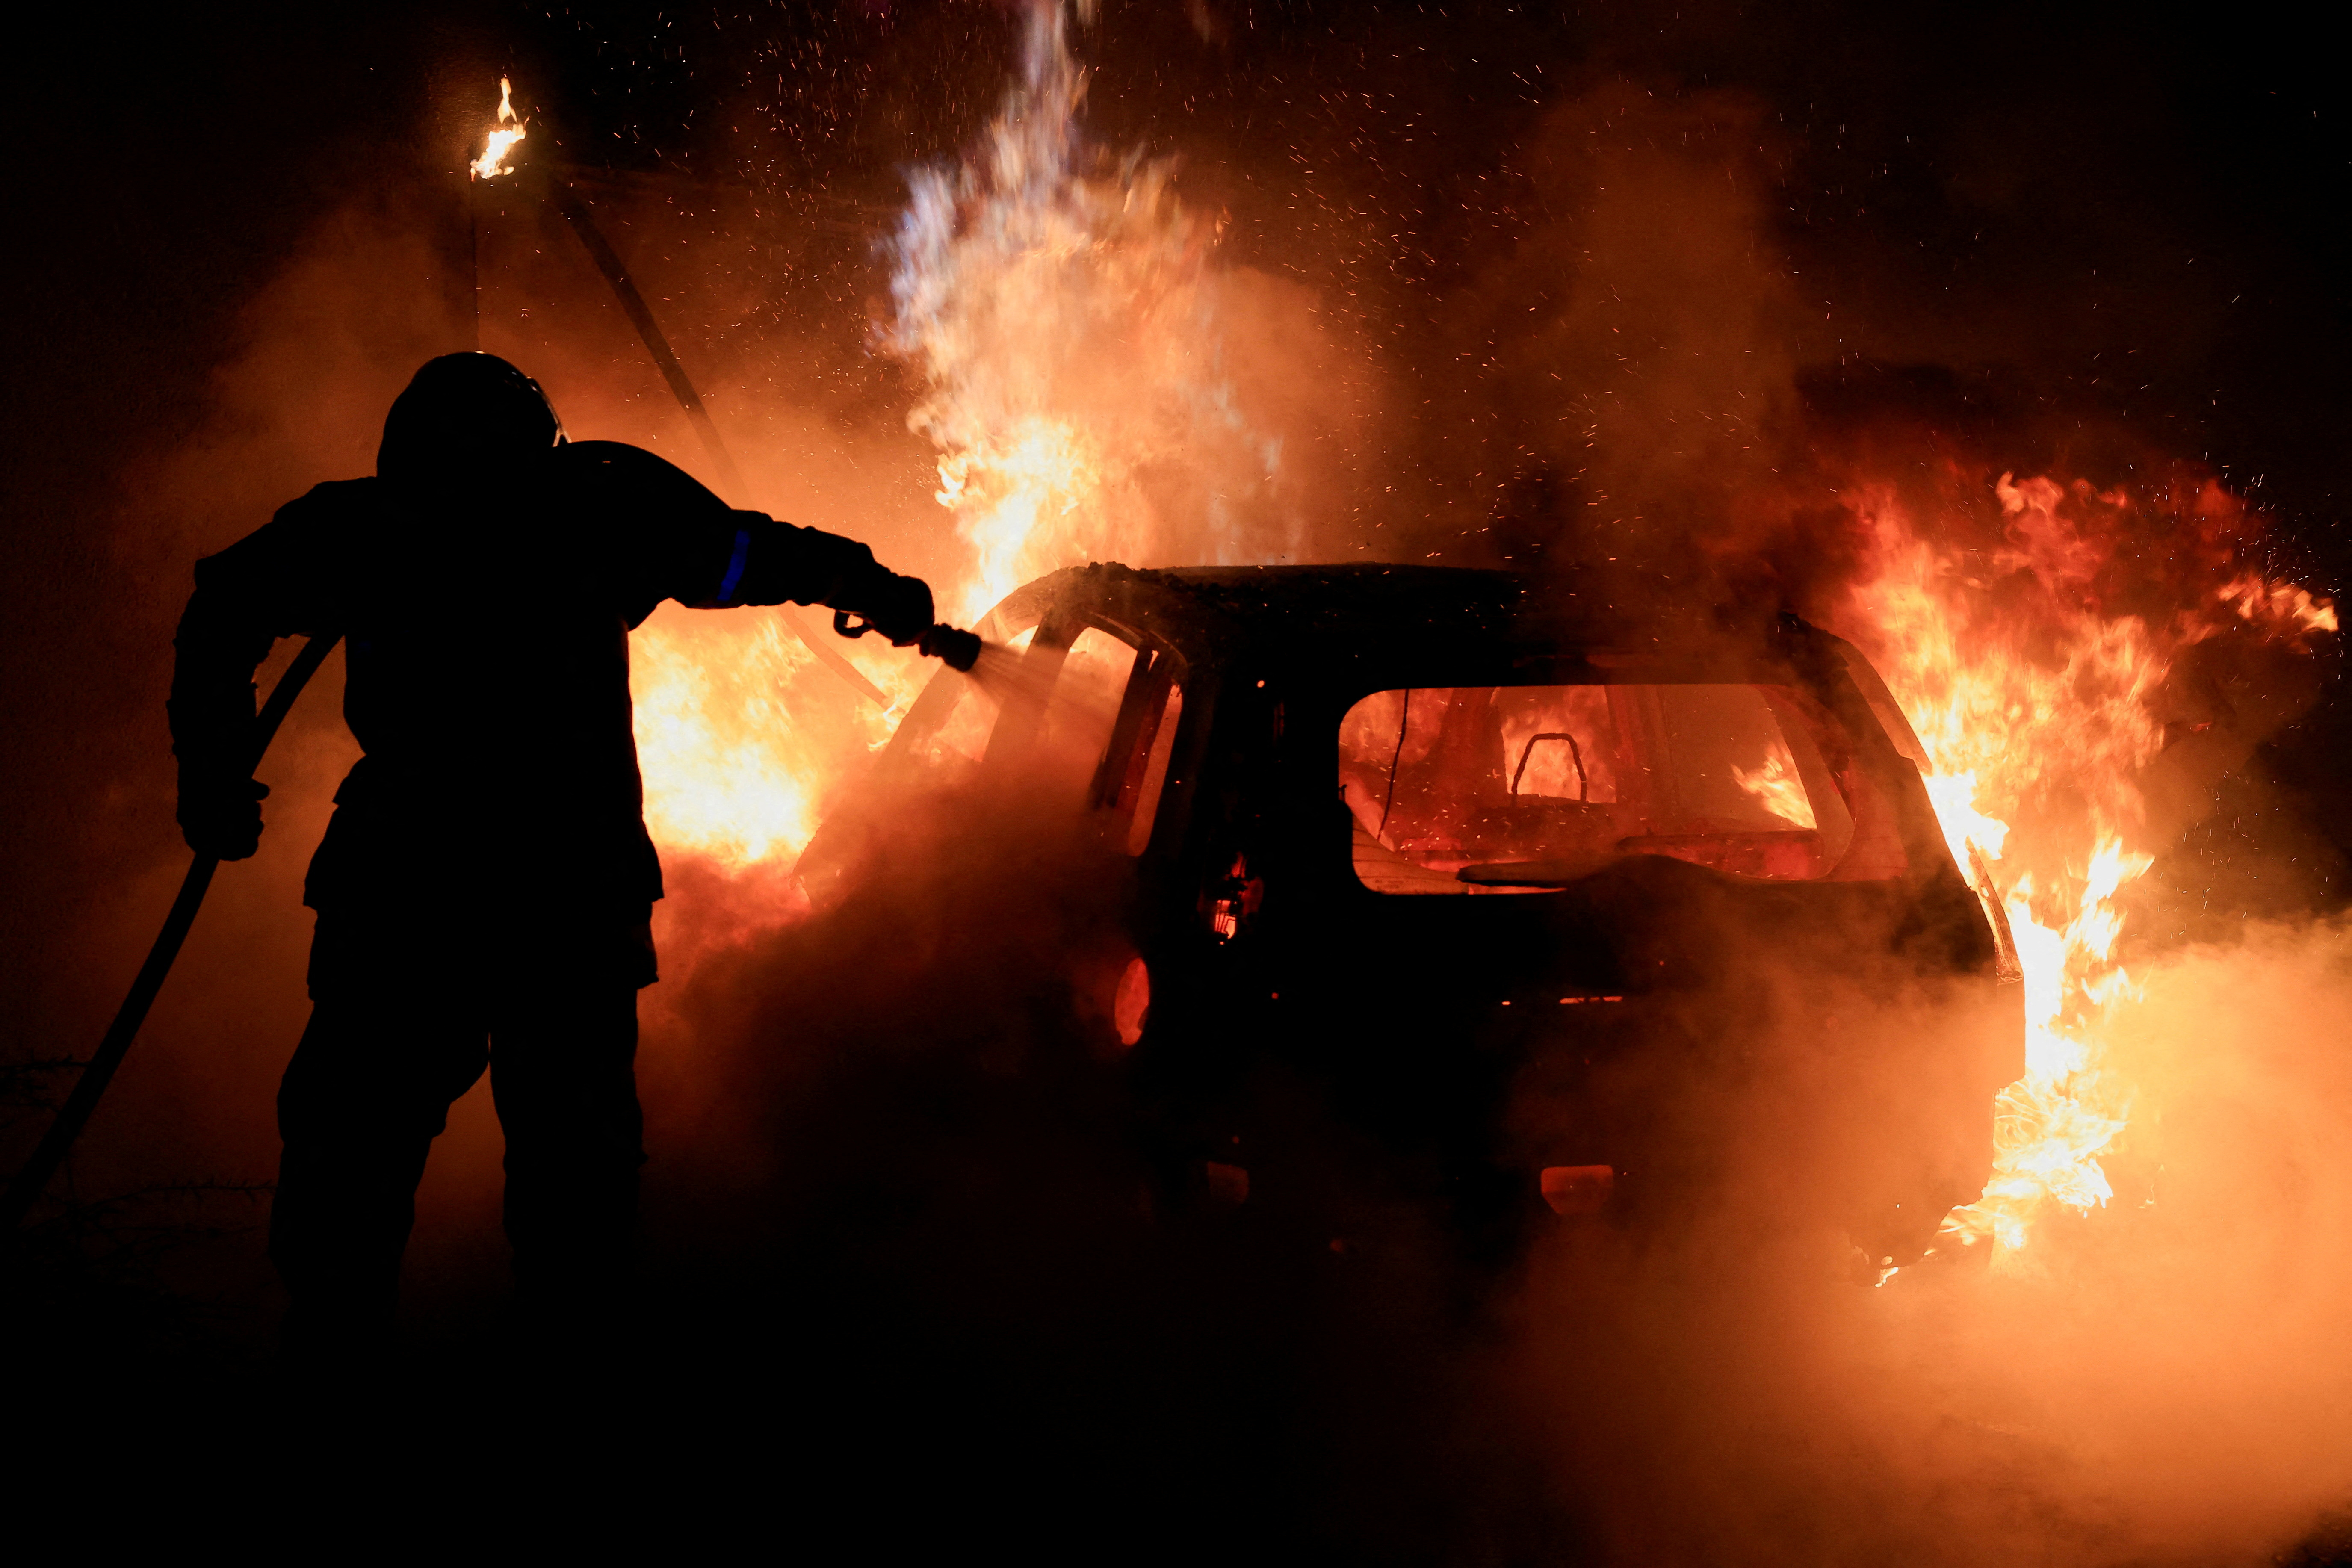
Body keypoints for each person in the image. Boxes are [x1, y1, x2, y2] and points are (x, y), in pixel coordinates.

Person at [168, 353, 939, 1350]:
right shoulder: (592, 508)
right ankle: (540, 1379)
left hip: (419, 890)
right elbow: (745, 555)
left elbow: (225, 607)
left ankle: (352, 1364)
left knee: (363, 1161)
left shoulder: (370, 525)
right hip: (553, 892)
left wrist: (212, 769)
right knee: (546, 1181)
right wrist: (866, 583)